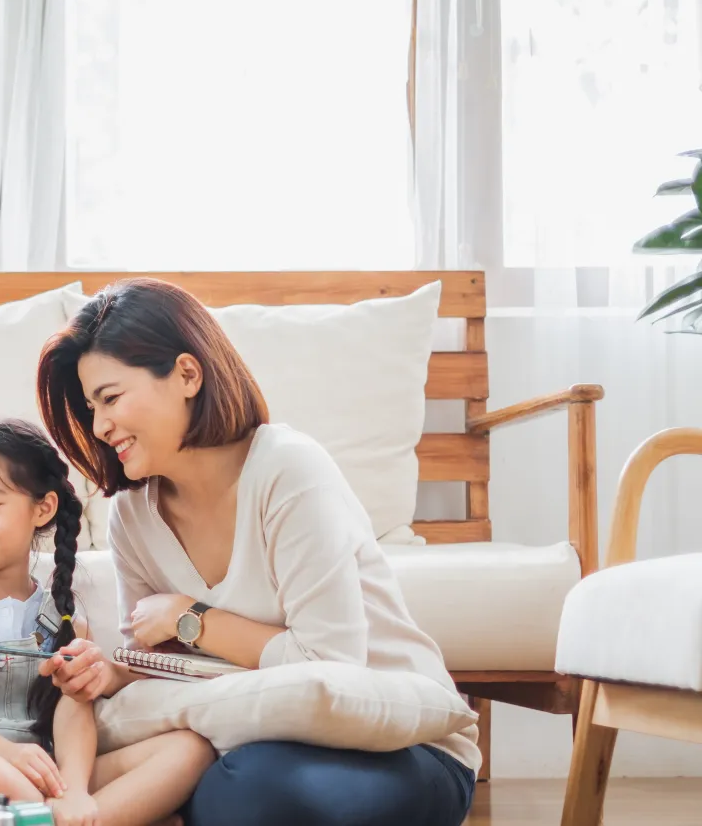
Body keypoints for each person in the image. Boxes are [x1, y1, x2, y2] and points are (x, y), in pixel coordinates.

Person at [31, 278, 480, 826]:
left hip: (401, 749)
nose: (100, 426)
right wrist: (114, 674)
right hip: (245, 744)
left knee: (240, 794)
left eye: (111, 398)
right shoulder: (133, 515)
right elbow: (161, 669)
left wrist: (190, 618)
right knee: (207, 781)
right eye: (91, 407)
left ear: (187, 375)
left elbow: (329, 670)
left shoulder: (288, 470)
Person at [0, 418, 213, 826]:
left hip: (47, 775)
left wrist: (76, 790)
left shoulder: (63, 613)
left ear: (43, 508)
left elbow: (75, 710)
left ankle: (65, 818)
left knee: (189, 748)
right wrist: (9, 755)